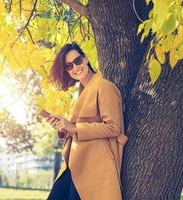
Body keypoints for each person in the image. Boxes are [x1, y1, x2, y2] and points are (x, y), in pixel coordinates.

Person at [46, 42, 128, 200]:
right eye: (69, 66)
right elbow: (75, 129)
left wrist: (74, 128)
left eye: (77, 61)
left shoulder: (104, 87)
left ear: (86, 59)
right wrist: (63, 128)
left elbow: (113, 128)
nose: (76, 68)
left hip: (94, 165)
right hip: (74, 164)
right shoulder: (77, 96)